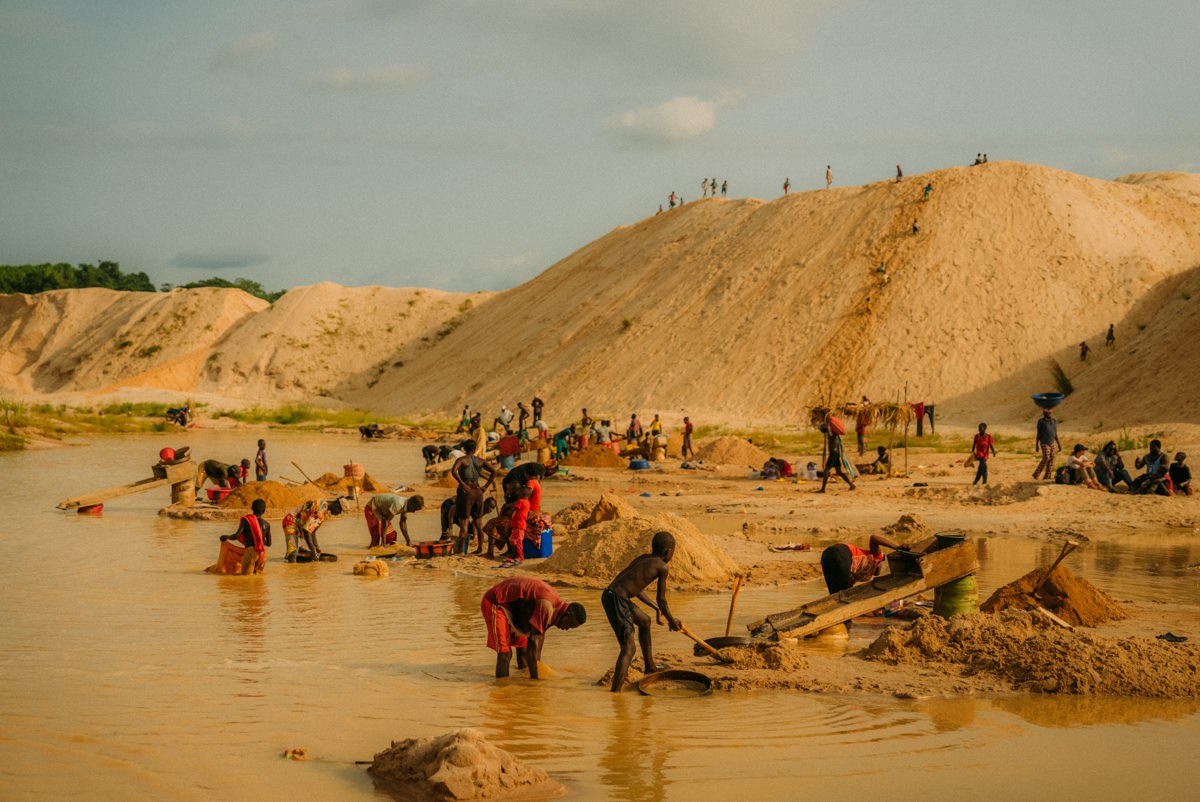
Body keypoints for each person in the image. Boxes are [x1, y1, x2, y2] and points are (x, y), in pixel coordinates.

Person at [602, 531, 682, 692]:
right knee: (629, 649)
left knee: (645, 621)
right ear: (668, 552)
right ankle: (615, 693)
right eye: (672, 552)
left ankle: (650, 667)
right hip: (617, 599)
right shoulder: (662, 567)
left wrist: (655, 608)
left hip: (612, 596)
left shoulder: (643, 559)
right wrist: (672, 621)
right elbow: (662, 599)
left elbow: (635, 588)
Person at [480, 576, 585, 679]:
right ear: (568, 614)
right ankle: (502, 691)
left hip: (517, 611)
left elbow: (539, 638)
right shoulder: (547, 606)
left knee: (524, 651)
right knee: (505, 653)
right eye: (569, 625)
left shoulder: (556, 609)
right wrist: (535, 680)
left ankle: (522, 685)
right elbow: (534, 641)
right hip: (496, 602)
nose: (566, 629)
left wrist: (537, 668)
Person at [820, 534, 908, 595]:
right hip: (842, 553)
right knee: (838, 596)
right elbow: (874, 538)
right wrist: (896, 547)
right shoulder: (876, 557)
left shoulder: (857, 574)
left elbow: (847, 589)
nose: (880, 568)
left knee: (833, 595)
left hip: (828, 555)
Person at [452, 439, 496, 551]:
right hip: (478, 491)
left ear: (464, 449)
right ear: (475, 449)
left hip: (466, 492)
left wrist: (461, 483)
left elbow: (453, 471)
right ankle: (480, 547)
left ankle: (461, 550)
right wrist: (486, 486)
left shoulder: (462, 460)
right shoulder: (480, 461)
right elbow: (494, 472)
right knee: (478, 522)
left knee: (464, 522)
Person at [219, 498, 272, 574]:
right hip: (262, 554)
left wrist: (226, 536)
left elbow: (236, 536)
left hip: (251, 552)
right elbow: (269, 543)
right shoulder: (267, 524)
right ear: (264, 511)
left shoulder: (246, 521)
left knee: (247, 580)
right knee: (259, 582)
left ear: (252, 508)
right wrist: (259, 539)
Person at [819, 422, 856, 493]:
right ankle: (851, 485)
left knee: (826, 470)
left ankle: (823, 489)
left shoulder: (831, 434)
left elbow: (829, 430)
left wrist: (828, 424)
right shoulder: (834, 434)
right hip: (836, 453)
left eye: (822, 429)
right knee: (839, 471)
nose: (821, 431)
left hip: (833, 454)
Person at [1032, 408, 1062, 481]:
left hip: (1052, 442)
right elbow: (1038, 433)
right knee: (1046, 458)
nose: (1046, 413)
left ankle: (1047, 476)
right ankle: (1036, 474)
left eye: (1048, 412)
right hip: (1044, 442)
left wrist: (1059, 444)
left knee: (1052, 458)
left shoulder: (1054, 421)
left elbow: (1055, 434)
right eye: (1045, 412)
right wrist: (1037, 445)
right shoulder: (1041, 421)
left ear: (1051, 413)